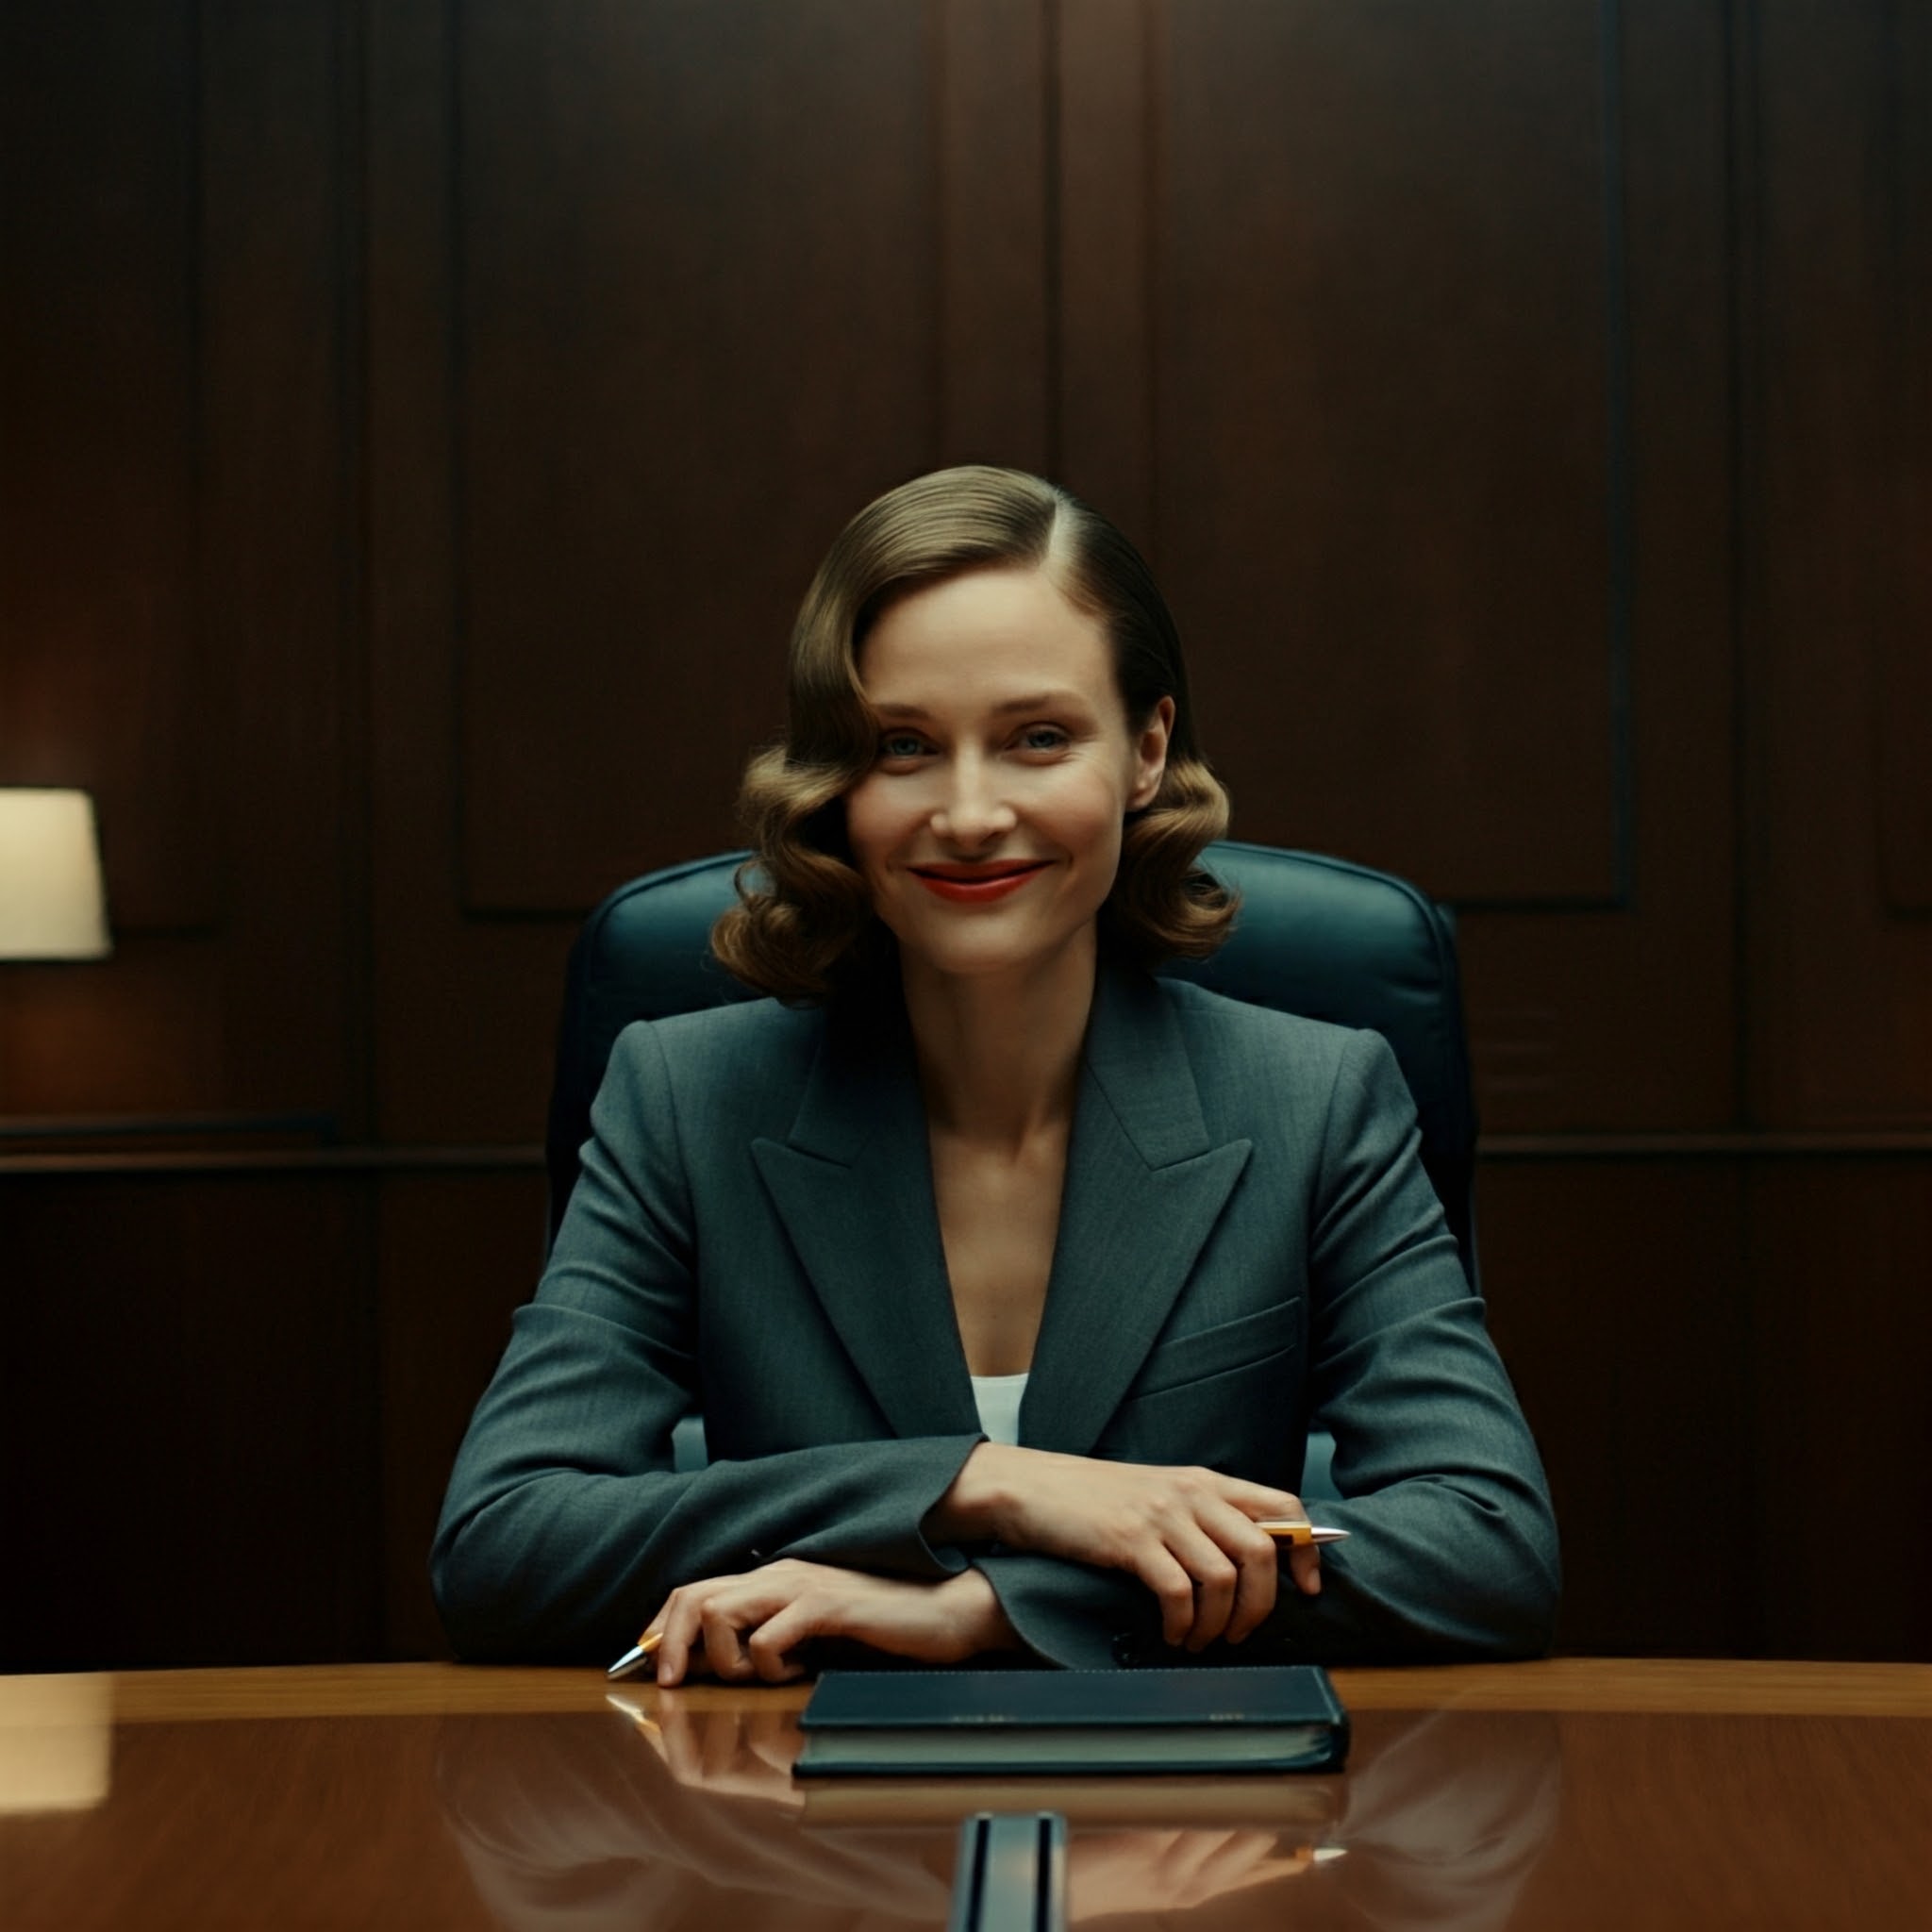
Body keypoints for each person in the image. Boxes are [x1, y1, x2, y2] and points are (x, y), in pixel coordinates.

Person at [432, 465, 1559, 1679]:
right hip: (798, 1828)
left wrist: (995, 1605)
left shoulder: (1315, 1096)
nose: (968, 813)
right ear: (836, 784)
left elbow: (1485, 1546)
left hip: (1194, 1831)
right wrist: (990, 1485)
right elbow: (503, 1543)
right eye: (901, 746)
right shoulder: (683, 1095)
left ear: (1144, 751)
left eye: (1037, 738)